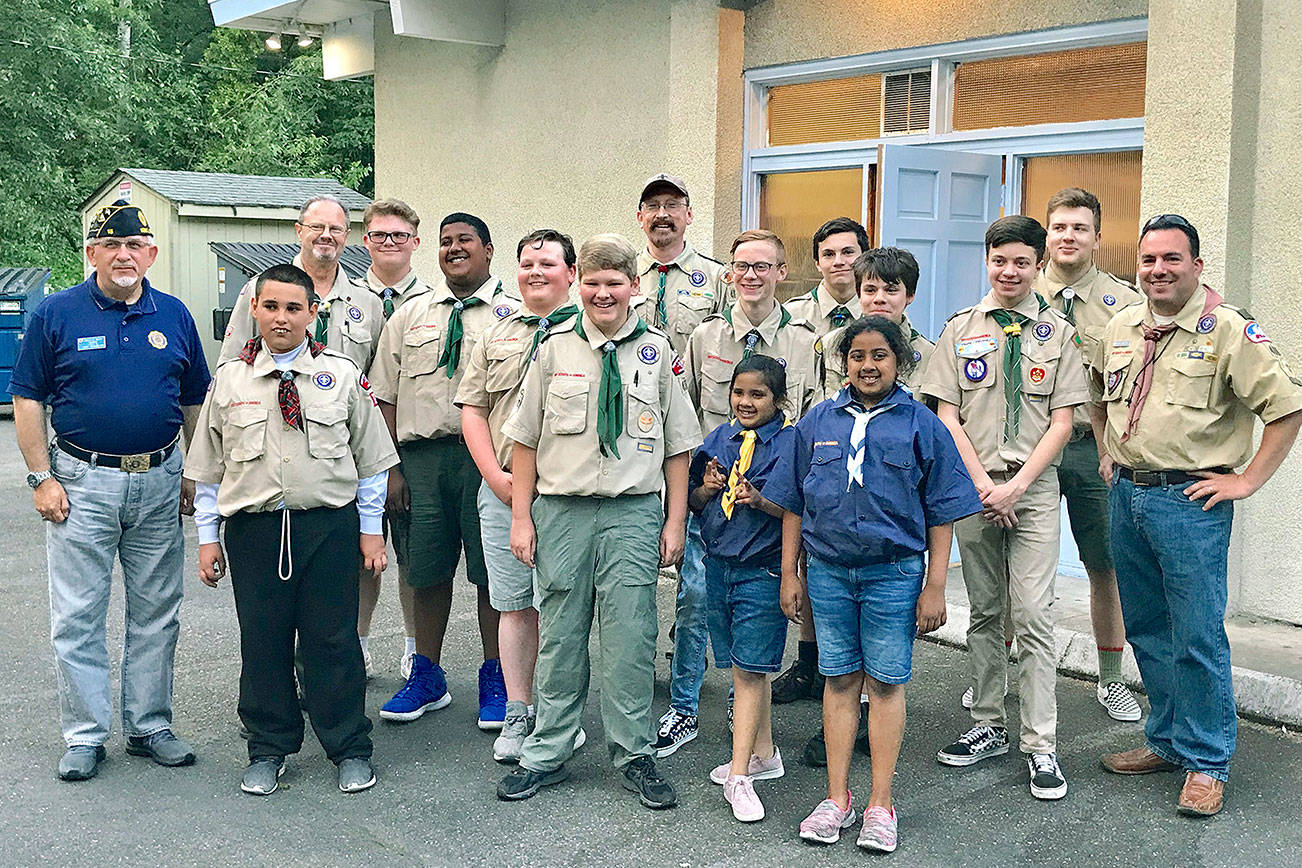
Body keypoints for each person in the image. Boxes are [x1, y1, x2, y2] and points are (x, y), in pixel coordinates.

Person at [1092, 214, 1302, 816]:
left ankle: (1208, 761)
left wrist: (1247, 480)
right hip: (1128, 497)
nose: (1158, 270)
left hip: (1189, 504)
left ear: (1196, 265)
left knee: (1198, 635)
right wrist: (1109, 453)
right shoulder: (1124, 324)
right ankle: (1167, 740)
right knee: (1149, 629)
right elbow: (1103, 394)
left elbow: (1286, 407)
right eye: (1149, 260)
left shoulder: (1229, 330)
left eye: (1171, 260)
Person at [496, 233, 701, 809]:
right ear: (578, 284)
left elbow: (678, 448)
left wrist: (674, 522)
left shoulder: (657, 353)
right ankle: (549, 750)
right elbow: (525, 441)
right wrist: (521, 519)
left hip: (633, 512)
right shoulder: (553, 347)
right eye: (593, 282)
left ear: (635, 288)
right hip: (562, 511)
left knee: (631, 636)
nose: (603, 293)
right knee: (561, 634)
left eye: (615, 283)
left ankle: (635, 753)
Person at [11, 199, 210, 781]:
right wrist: (40, 476)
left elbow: (194, 398)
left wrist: (195, 473)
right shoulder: (56, 313)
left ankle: (149, 726)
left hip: (159, 480)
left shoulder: (173, 315)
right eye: (111, 245)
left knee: (157, 611)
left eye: (136, 246)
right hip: (79, 482)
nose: (124, 255)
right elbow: (28, 398)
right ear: (93, 252)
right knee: (78, 615)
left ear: (150, 254)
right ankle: (85, 735)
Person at [768, 316, 980, 852]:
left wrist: (936, 586)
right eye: (857, 356)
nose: (868, 365)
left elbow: (941, 512)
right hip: (830, 573)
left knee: (885, 684)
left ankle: (880, 804)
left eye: (880, 355)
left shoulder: (920, 425)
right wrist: (791, 573)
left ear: (899, 362)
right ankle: (836, 798)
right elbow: (793, 502)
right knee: (838, 680)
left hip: (895, 573)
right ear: (844, 363)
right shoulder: (817, 421)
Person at [186, 264, 398, 795]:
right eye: (272, 306)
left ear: (312, 313)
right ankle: (269, 746)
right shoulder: (230, 380)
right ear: (254, 309)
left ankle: (349, 745)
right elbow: (211, 471)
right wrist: (207, 539)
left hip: (328, 527)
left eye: (294, 308)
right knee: (263, 642)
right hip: (255, 532)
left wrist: (370, 533)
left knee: (333, 641)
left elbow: (371, 463)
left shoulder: (343, 375)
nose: (282, 317)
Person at [920, 215, 1087, 801]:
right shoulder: (960, 329)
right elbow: (946, 415)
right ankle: (987, 723)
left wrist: (1015, 488)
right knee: (987, 613)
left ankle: (1041, 744)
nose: (1009, 272)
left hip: (1033, 490)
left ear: (1039, 264)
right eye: (999, 260)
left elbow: (1064, 422)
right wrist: (982, 486)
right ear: (985, 261)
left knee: (1035, 616)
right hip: (974, 487)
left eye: (1021, 262)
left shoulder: (1059, 334)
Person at [654, 228, 822, 758]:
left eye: (763, 266)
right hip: (712, 497)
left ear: (780, 273)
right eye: (742, 266)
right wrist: (684, 500)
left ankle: (742, 709)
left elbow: (813, 423)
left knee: (752, 607)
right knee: (697, 598)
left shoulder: (803, 341)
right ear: (730, 274)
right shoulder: (704, 338)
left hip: (769, 506)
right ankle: (682, 706)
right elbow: (681, 419)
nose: (751, 275)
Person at [369, 213, 516, 730]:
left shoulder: (513, 315)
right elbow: (383, 396)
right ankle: (426, 676)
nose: (454, 249)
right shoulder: (410, 316)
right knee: (425, 570)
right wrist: (391, 471)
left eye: (465, 241)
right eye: (446, 242)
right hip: (422, 462)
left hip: (488, 462)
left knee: (492, 575)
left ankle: (497, 676)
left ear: (488, 249)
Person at [455, 228, 587, 763]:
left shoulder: (590, 336)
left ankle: (560, 716)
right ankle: (519, 710)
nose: (536, 272)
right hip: (504, 488)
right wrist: (495, 478)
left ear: (571, 275)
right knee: (512, 604)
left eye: (549, 264)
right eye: (527, 263)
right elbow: (473, 409)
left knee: (563, 608)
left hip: (565, 493)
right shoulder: (495, 334)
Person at [1028, 188, 1146, 721]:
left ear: (1097, 237)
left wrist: (1116, 449)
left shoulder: (1126, 305)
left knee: (1105, 566)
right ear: (1047, 235)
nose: (1068, 237)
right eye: (1059, 228)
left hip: (1093, 451)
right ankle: (1008, 672)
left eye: (1079, 228)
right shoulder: (1020, 291)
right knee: (1021, 570)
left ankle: (1111, 678)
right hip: (1028, 452)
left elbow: (1136, 387)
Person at [690, 355, 797, 823]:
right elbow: (693, 498)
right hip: (720, 565)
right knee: (741, 665)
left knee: (751, 672)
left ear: (778, 399)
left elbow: (798, 508)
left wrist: (761, 500)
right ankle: (765, 753)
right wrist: (709, 489)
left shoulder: (791, 444)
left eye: (758, 395)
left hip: (763, 568)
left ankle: (740, 776)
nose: (746, 402)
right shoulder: (719, 439)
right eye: (739, 393)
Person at [771, 217, 871, 710]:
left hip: (864, 466)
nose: (839, 263)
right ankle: (808, 664)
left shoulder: (878, 319)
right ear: (817, 261)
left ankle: (855, 676)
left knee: (849, 569)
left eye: (849, 252)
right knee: (810, 564)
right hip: (809, 457)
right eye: (829, 254)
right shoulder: (791, 319)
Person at [356, 198, 428, 679]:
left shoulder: (434, 302)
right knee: (359, 556)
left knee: (411, 555)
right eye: (380, 235)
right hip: (346, 453)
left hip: (406, 452)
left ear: (414, 243)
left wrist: (397, 463)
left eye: (399, 235)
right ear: (365, 240)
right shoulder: (341, 298)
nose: (389, 242)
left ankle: (412, 647)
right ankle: (356, 645)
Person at [219, 195, 384, 371]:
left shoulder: (369, 302)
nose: (326, 235)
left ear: (346, 235)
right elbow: (230, 367)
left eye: (335, 229)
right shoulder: (259, 289)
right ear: (299, 231)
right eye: (317, 227)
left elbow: (378, 383)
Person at [631, 173, 730, 357]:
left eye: (672, 205)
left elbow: (729, 347)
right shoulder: (623, 273)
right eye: (653, 206)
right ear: (640, 217)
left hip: (692, 385)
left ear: (689, 215)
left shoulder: (716, 277)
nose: (662, 214)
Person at [824, 247, 935, 394]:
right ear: (859, 294)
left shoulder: (929, 354)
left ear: (910, 295)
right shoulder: (831, 344)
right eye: (870, 290)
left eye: (891, 290)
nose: (879, 299)